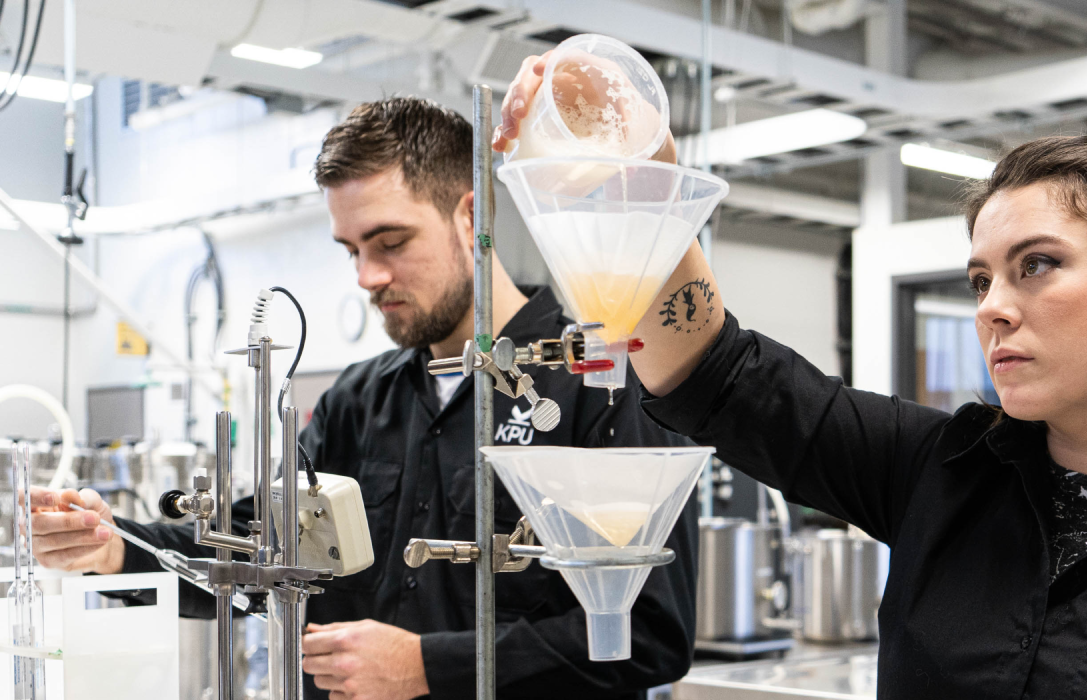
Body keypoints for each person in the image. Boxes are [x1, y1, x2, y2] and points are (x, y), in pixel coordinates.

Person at [497, 58, 1087, 697]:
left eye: (1037, 265)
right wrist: (633, 180)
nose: (991, 305)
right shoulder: (938, 472)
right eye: (982, 277)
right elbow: (722, 375)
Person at [29, 96, 696, 700]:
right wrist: (117, 548)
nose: (367, 277)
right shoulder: (359, 399)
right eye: (351, 249)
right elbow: (260, 552)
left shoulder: (599, 383)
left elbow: (650, 634)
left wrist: (429, 665)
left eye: (391, 242)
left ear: (472, 217)